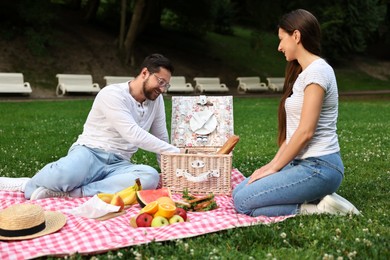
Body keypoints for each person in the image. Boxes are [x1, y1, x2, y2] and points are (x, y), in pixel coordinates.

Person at [233, 9, 360, 217]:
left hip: (320, 167)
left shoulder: (318, 72)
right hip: (300, 163)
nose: (279, 47)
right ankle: (317, 199)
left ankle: (319, 209)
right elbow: (292, 136)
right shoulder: (304, 73)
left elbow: (305, 132)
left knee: (243, 202)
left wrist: (274, 169)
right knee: (239, 191)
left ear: (296, 36)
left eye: (282, 39)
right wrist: (268, 166)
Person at [0, 53, 180, 200]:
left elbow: (161, 138)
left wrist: (169, 172)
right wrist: (176, 152)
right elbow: (132, 134)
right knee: (64, 174)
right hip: (90, 153)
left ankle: (77, 193)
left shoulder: (156, 102)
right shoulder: (113, 94)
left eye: (166, 85)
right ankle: (28, 184)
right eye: (160, 81)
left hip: (119, 164)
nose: (163, 89)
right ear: (145, 73)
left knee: (150, 177)